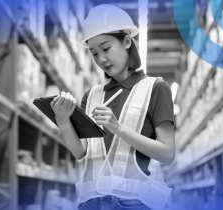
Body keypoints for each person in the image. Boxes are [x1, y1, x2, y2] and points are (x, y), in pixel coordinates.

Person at [50, 4, 175, 210]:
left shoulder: (156, 88)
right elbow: (80, 152)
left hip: (135, 204)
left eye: (106, 48)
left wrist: (118, 128)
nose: (101, 59)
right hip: (90, 203)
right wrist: (63, 121)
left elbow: (167, 154)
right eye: (94, 53)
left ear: (126, 42)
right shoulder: (91, 96)